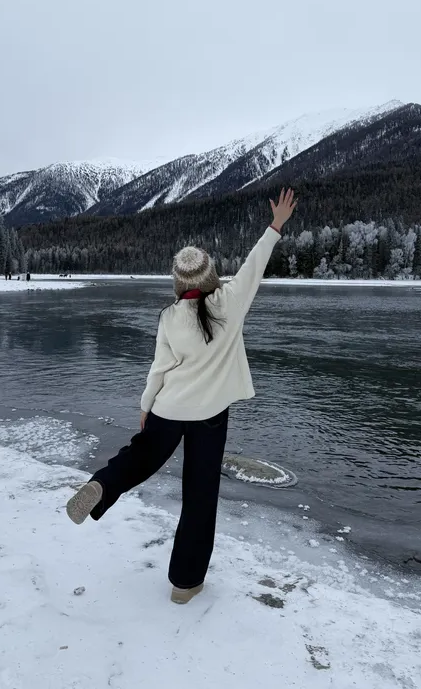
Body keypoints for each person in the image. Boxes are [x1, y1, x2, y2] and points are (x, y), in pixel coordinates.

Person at [66, 189, 298, 604]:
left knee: (139, 457)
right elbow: (254, 265)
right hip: (210, 415)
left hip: (168, 408)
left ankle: (103, 484)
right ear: (210, 276)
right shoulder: (229, 302)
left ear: (179, 281)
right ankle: (185, 584)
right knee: (200, 494)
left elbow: (159, 367)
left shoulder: (170, 317)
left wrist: (145, 407)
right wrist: (275, 225)